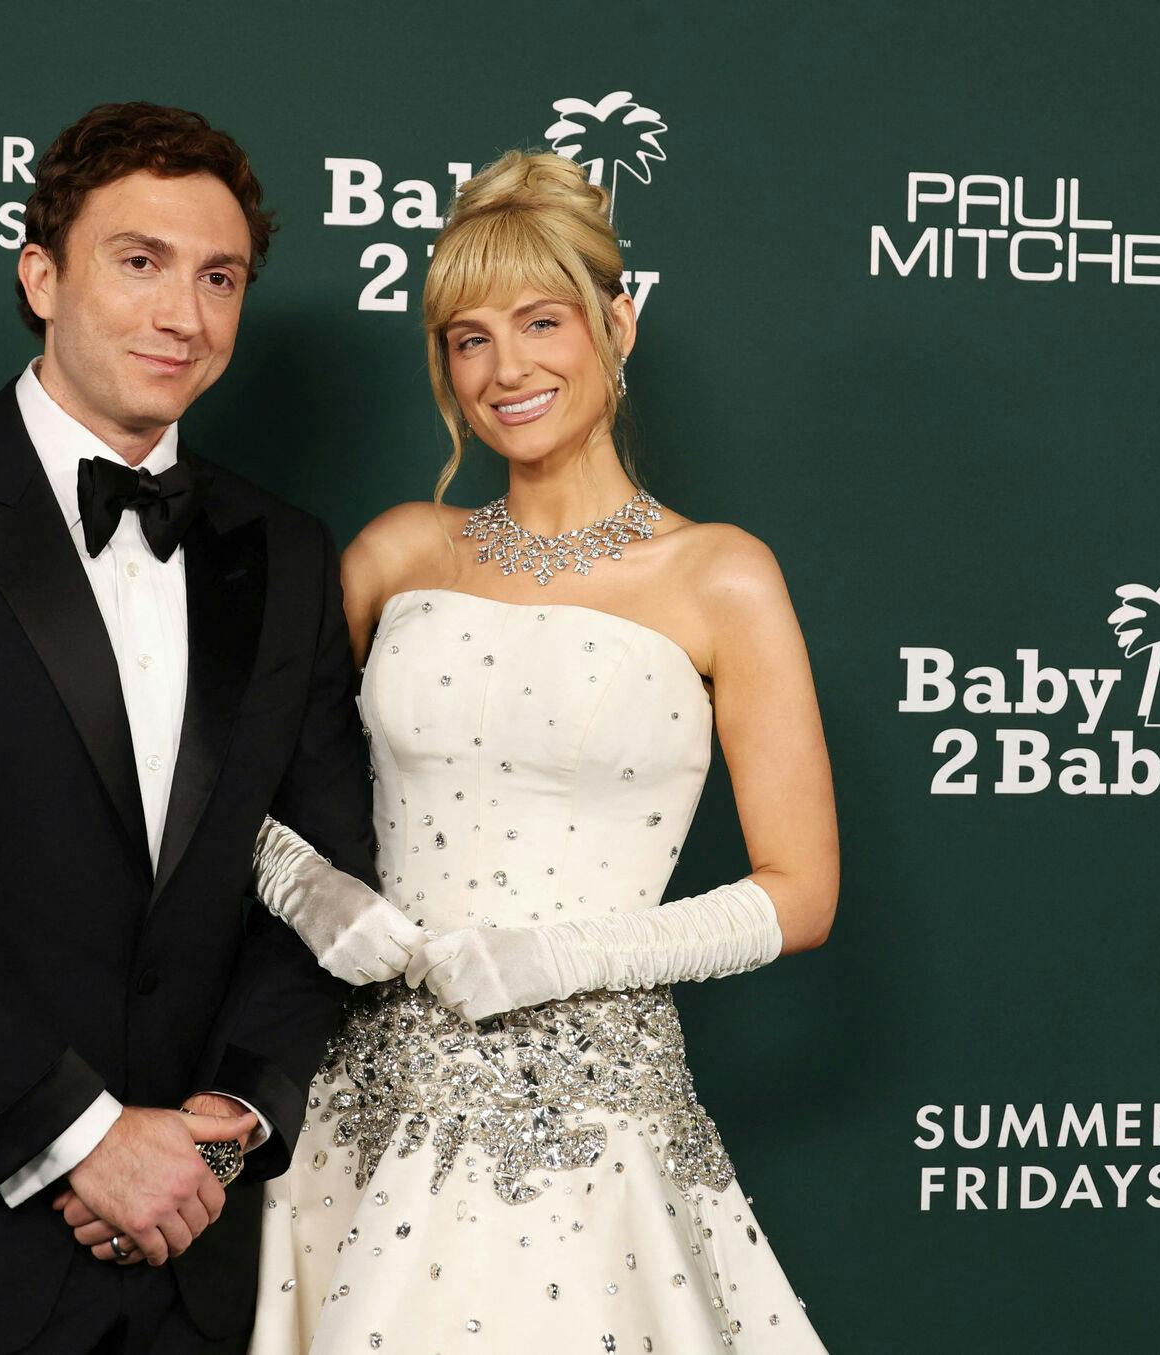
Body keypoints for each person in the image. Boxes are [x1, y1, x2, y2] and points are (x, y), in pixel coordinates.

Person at [0, 102, 371, 1355]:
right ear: (41, 275)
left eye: (220, 278)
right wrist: (86, 1135)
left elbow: (329, 869)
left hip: (203, 1244)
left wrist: (240, 1112)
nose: (182, 315)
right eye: (137, 262)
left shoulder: (291, 551)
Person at [236, 150, 840, 1352]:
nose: (505, 368)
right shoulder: (399, 551)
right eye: (467, 337)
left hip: (594, 1121)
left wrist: (561, 954)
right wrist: (308, 889)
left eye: (541, 320)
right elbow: (224, 791)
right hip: (368, 1103)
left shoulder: (723, 574)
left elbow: (800, 892)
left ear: (617, 321)